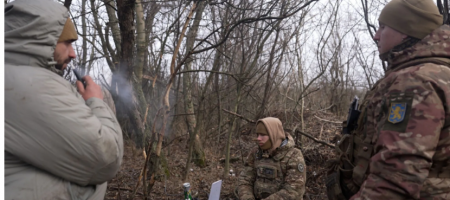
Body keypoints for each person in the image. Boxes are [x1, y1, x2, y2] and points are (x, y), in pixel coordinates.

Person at [326, 0, 450, 199]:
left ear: (406, 30)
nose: (376, 35)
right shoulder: (434, 74)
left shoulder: (415, 82)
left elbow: (395, 181)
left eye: (383, 27)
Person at [5, 0, 124, 199]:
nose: (73, 53)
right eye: (67, 42)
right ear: (40, 38)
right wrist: (95, 101)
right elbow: (106, 159)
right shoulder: (32, 85)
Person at [237, 117, 306, 200]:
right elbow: (245, 180)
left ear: (274, 134)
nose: (258, 138)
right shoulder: (256, 153)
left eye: (262, 135)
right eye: (257, 135)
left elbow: (294, 190)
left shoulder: (294, 155)